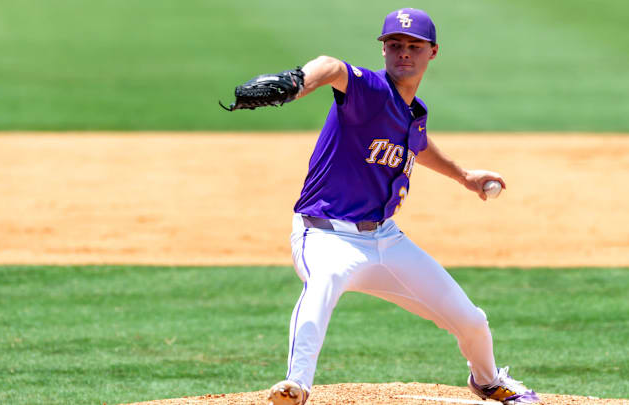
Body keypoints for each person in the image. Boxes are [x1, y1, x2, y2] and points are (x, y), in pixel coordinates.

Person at [226, 8, 540, 405]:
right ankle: (296, 384)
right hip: (325, 235)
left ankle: (488, 380)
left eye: (413, 46)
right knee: (321, 285)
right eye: (395, 45)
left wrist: (464, 176)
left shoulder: (413, 112)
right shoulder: (370, 91)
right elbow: (331, 66)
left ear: (432, 52)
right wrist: (297, 82)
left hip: (386, 241)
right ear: (384, 50)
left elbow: (417, 145)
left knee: (472, 320)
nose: (403, 53)